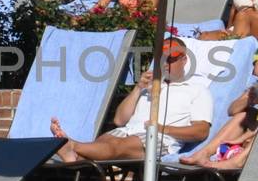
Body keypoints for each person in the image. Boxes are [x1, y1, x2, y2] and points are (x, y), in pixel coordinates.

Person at [50, 38, 211, 163]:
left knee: (117, 146)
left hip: (161, 138)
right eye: (162, 59)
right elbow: (119, 120)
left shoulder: (197, 90)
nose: (166, 65)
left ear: (184, 60)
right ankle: (73, 155)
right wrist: (138, 88)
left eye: (171, 59)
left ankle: (71, 145)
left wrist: (162, 128)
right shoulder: (150, 86)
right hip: (128, 130)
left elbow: (201, 131)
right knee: (103, 141)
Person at [179, 83, 258, 169]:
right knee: (244, 115)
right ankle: (204, 153)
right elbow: (232, 111)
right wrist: (251, 98)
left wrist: (243, 138)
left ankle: (238, 161)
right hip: (254, 130)